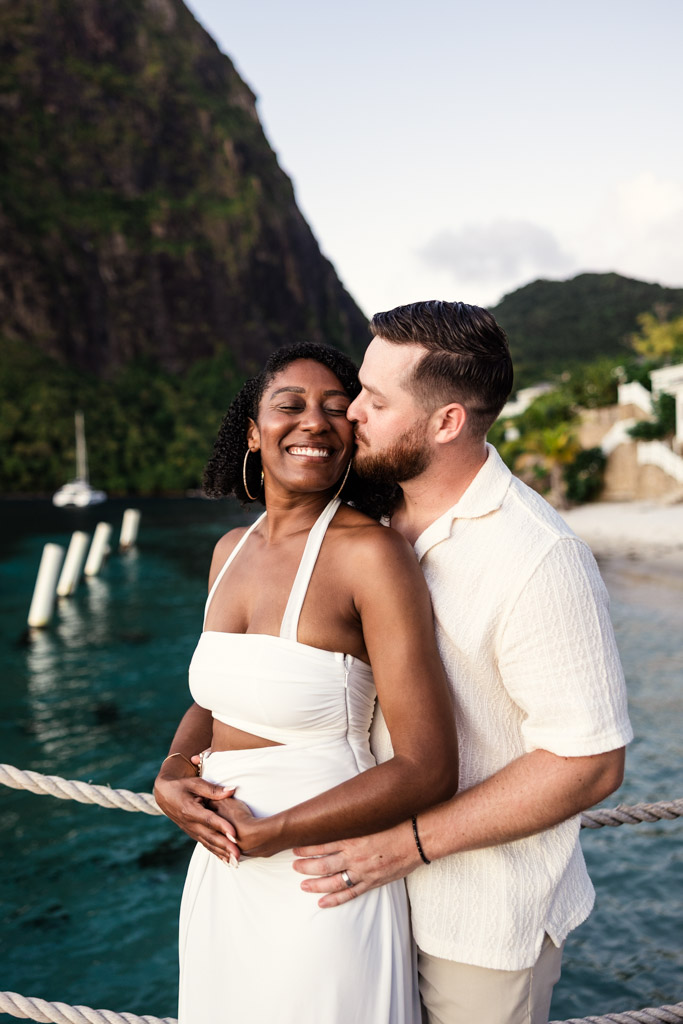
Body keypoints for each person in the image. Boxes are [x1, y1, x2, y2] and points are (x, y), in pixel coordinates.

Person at [291, 301, 633, 1024]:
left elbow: (589, 761)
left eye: (375, 401)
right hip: (355, 905)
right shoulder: (367, 516)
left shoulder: (537, 558)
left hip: (477, 925)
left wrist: (407, 846)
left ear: (446, 422)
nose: (351, 412)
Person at [154, 341, 458, 1024]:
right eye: (289, 405)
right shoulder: (227, 552)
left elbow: (428, 766)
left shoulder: (371, 556)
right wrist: (171, 774)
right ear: (254, 434)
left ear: (353, 433)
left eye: (335, 408)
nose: (314, 421)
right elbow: (212, 700)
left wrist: (277, 831)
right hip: (223, 865)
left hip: (319, 873)